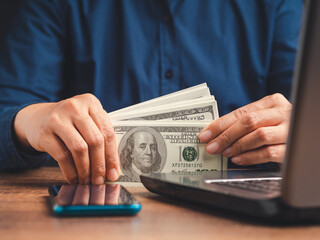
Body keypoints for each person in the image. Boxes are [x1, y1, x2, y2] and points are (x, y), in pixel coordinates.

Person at [0, 0, 303, 184]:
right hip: (92, 210)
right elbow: (9, 110)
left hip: (245, 213)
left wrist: (306, 134)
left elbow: (305, 114)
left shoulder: (277, 5)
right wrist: (27, 120)